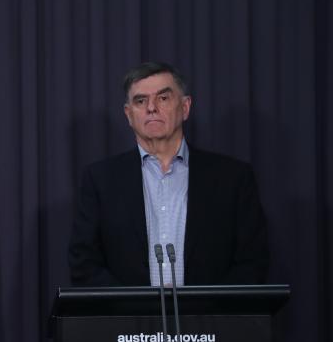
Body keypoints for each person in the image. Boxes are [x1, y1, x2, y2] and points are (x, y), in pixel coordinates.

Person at [68, 61, 269, 286]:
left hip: (210, 319)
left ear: (185, 107)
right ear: (128, 114)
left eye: (163, 98)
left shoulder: (233, 178)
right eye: (140, 101)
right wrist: (132, 312)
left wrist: (210, 314)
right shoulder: (100, 180)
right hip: (129, 319)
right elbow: (84, 263)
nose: (151, 108)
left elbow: (252, 261)